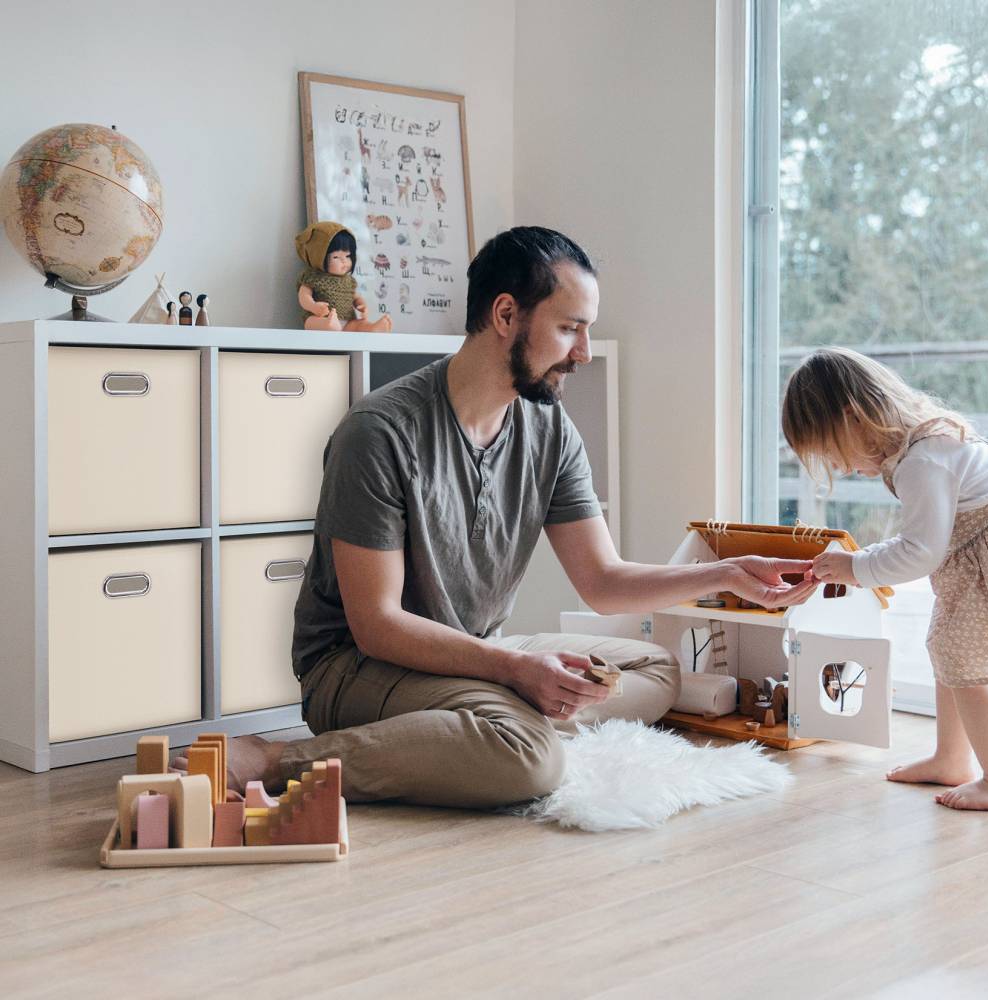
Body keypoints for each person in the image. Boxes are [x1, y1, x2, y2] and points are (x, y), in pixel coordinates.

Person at [177, 227, 815, 807]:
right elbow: (377, 626)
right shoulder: (380, 432)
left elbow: (602, 582)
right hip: (358, 669)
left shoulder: (550, 431)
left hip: (474, 653)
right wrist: (514, 671)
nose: (583, 352)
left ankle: (482, 723)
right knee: (531, 760)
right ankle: (280, 760)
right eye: (569, 329)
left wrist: (726, 573)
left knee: (654, 670)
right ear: (506, 314)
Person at [782, 347, 988, 811]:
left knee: (963, 660)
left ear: (853, 416)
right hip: (977, 561)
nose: (836, 466)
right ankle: (951, 758)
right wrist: (858, 561)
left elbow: (920, 551)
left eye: (831, 451)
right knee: (949, 649)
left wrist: (855, 568)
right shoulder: (922, 449)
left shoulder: (924, 460)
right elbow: (924, 541)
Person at [295, 221, 392, 333]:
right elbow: (304, 297)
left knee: (359, 324)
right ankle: (329, 325)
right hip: (322, 317)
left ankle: (372, 329)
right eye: (336, 257)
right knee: (311, 322)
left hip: (348, 322)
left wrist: (361, 305)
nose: (344, 261)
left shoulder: (349, 281)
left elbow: (355, 297)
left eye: (347, 256)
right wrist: (313, 306)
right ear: (317, 257)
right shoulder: (312, 277)